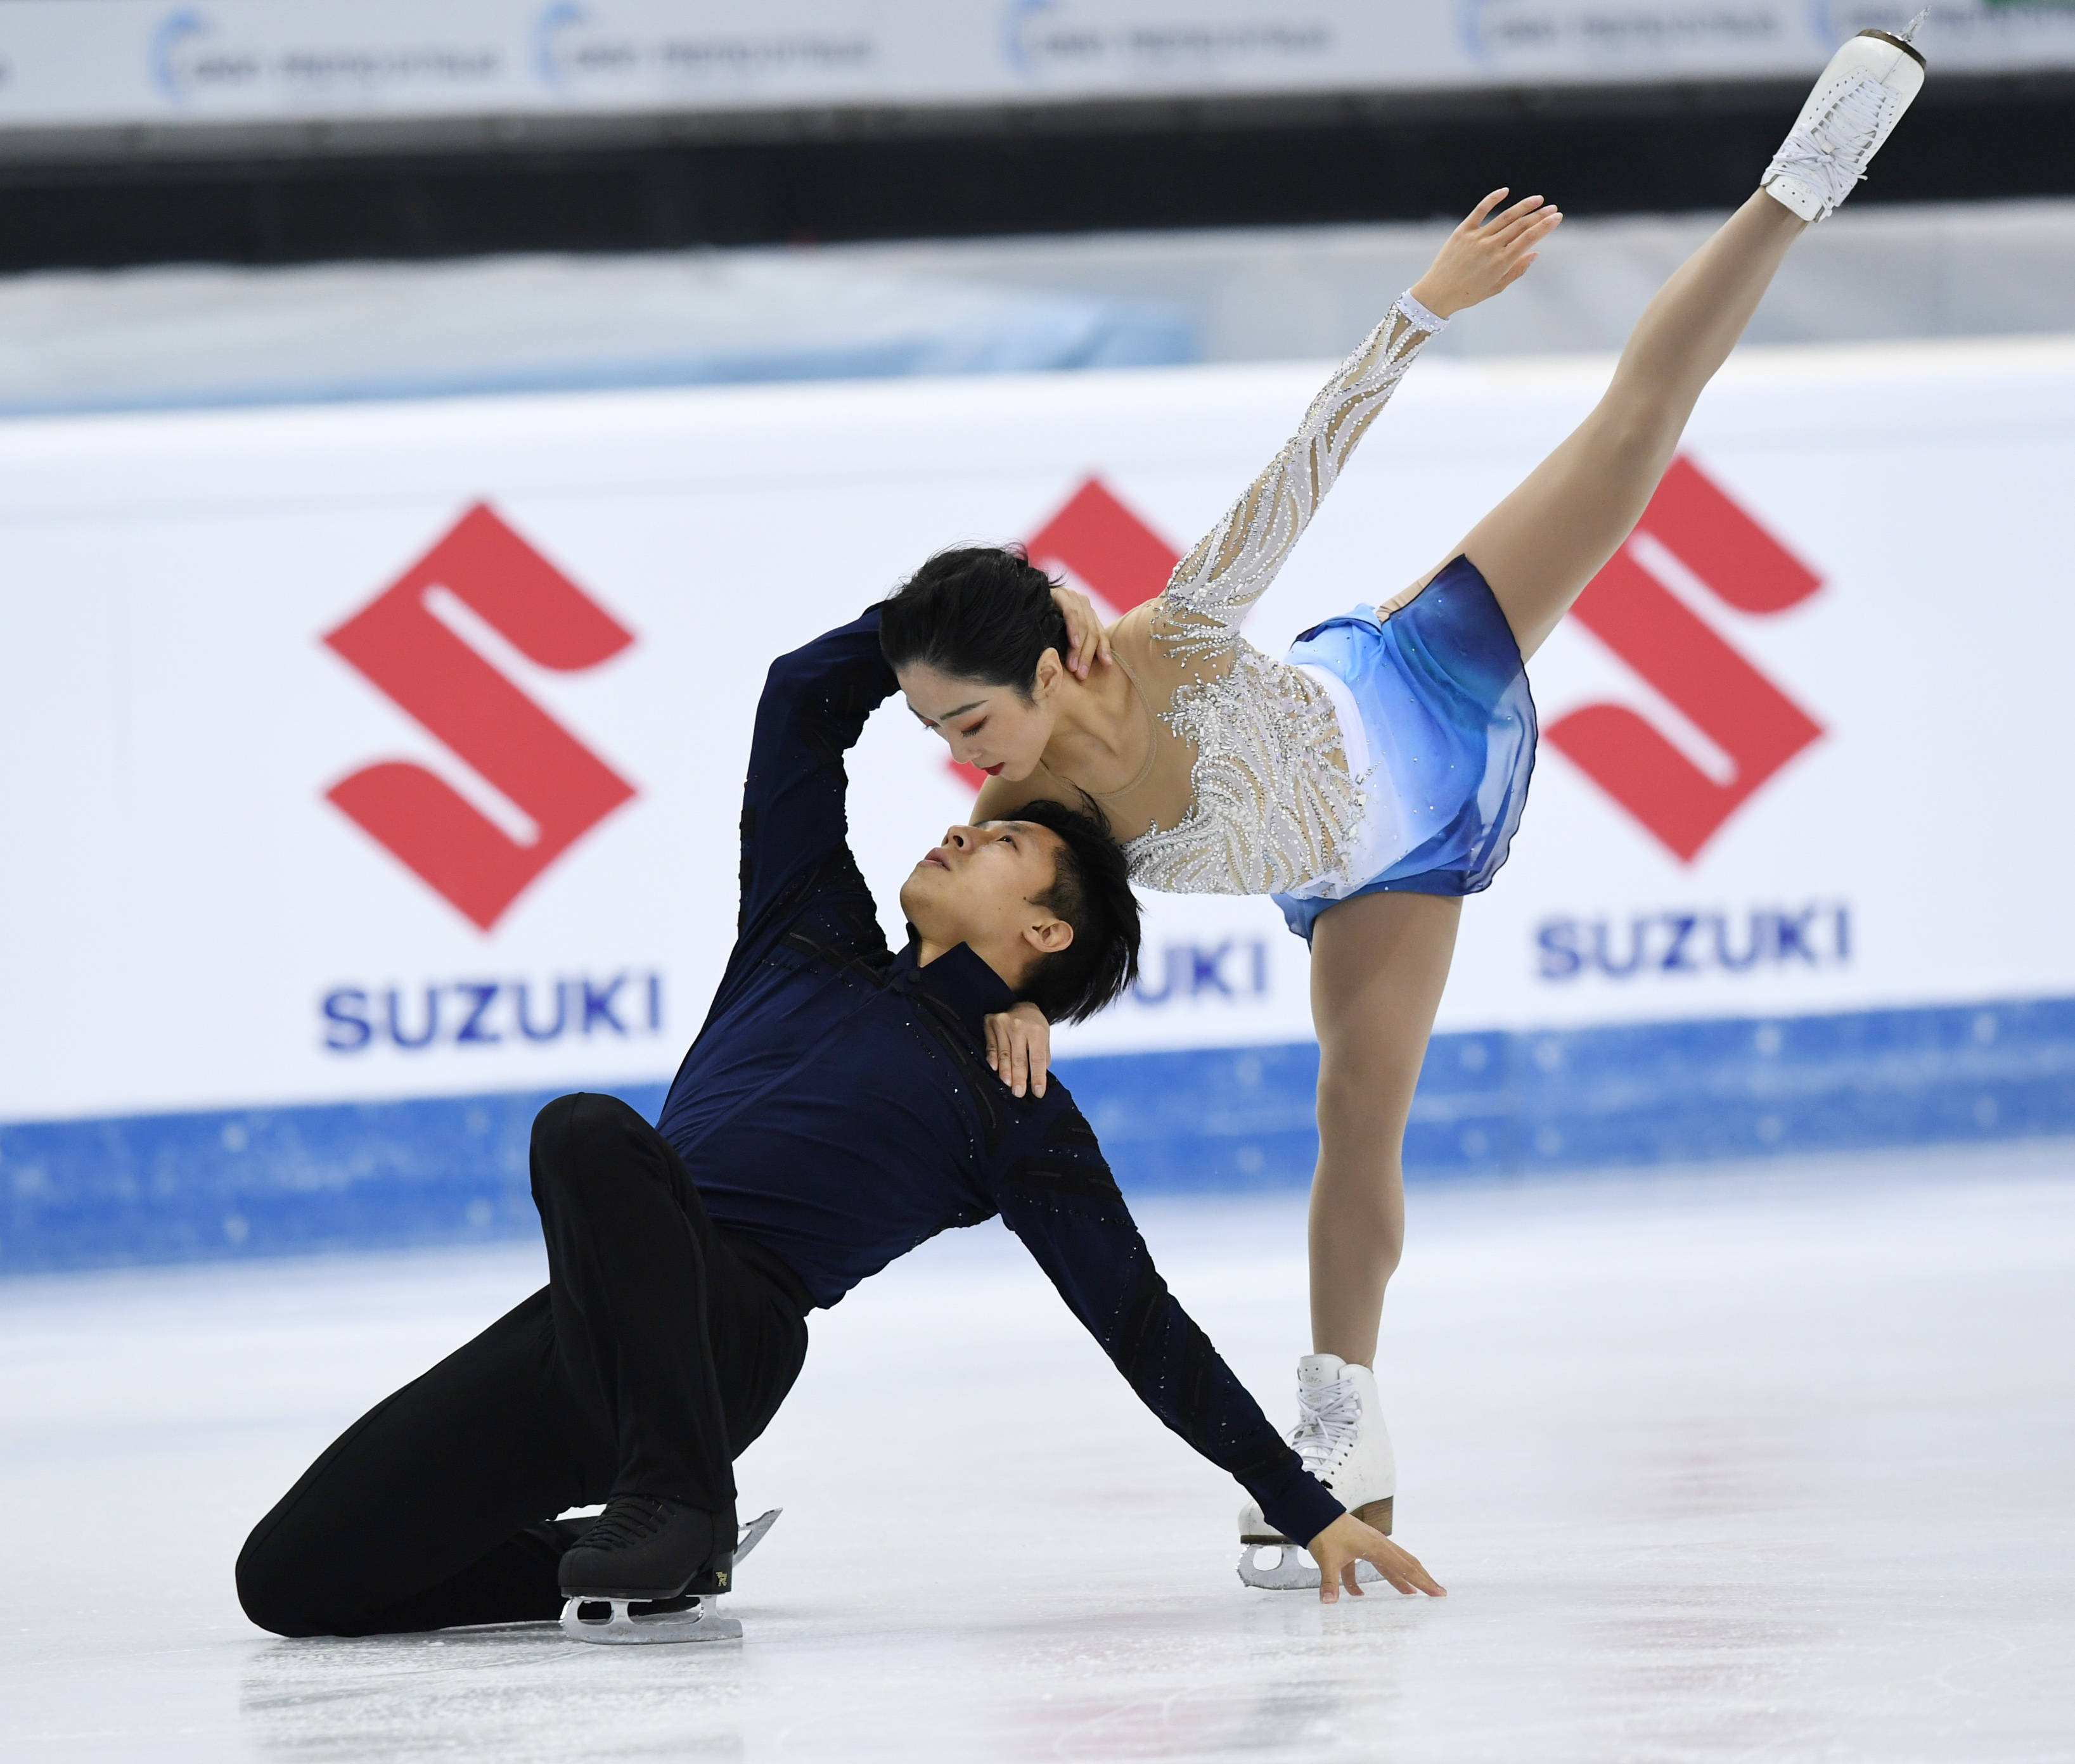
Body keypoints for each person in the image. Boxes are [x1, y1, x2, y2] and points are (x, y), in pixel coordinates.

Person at [880, 29, 1929, 1557]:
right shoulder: (1041, 832)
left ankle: (1797, 178)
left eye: (966, 720)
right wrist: (1015, 999)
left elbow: (1302, 466)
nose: (961, 765)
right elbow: (1018, 935)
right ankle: (1338, 1437)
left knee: (1630, 424)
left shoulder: (1169, 637)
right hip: (1388, 863)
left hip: (1416, 681)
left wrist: (1419, 312)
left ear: (1048, 664)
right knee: (1355, 1114)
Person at [234, 607, 1446, 1642]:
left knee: (586, 1132)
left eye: (1008, 842)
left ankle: (678, 1504)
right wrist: (981, 626)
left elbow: (1137, 1320)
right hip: (592, 1326)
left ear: (1047, 935)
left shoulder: (1012, 1106)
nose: (968, 823)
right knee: (290, 1580)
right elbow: (801, 703)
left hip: (727, 1345)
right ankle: (650, 1557)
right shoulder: (801, 934)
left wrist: (1303, 1503)